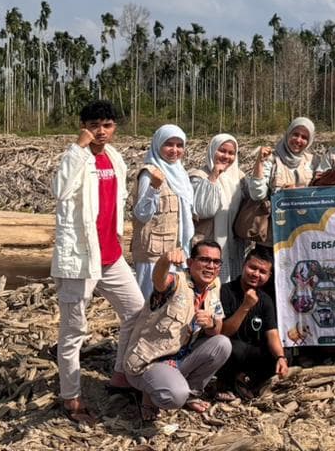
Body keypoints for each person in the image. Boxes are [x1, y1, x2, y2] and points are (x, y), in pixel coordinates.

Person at [50, 100, 145, 426]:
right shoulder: (77, 157)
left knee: (136, 310)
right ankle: (71, 397)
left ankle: (121, 374)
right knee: (74, 330)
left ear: (114, 127)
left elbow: (116, 203)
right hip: (80, 259)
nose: (100, 131)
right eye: (94, 124)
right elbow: (60, 190)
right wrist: (78, 148)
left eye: (107, 124)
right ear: (83, 126)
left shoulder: (115, 159)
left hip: (110, 256)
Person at [123, 242, 232, 419]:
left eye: (215, 262)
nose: (210, 266)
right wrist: (165, 260)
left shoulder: (214, 286)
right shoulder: (177, 282)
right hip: (150, 362)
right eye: (204, 260)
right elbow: (159, 280)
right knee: (175, 396)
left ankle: (192, 392)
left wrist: (211, 324)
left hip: (179, 360)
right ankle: (149, 394)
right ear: (190, 262)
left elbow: (217, 329)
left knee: (223, 344)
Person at [131, 124, 195, 301]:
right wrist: (154, 187)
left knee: (170, 304)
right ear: (158, 145)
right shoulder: (150, 173)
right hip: (152, 255)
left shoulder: (180, 174)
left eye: (179, 145)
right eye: (169, 144)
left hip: (175, 251)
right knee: (149, 303)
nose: (174, 150)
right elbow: (141, 214)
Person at [218, 246, 289, 399]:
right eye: (253, 268)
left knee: (283, 352)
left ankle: (246, 380)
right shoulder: (225, 291)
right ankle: (227, 384)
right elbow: (224, 331)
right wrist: (245, 306)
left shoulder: (265, 299)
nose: (256, 274)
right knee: (230, 347)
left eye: (262, 272)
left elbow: (272, 332)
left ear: (269, 275)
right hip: (232, 351)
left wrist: (280, 357)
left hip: (252, 353)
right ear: (244, 265)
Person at [192, 133, 247, 283]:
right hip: (208, 244)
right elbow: (204, 210)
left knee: (230, 288)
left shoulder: (239, 178)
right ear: (212, 150)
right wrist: (214, 175)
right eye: (222, 151)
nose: (226, 156)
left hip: (233, 246)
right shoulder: (199, 176)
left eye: (231, 153)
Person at [248, 117, 316, 204]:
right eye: (295, 134)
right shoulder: (271, 159)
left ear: (309, 141)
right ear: (288, 134)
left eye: (304, 137)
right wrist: (260, 162)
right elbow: (256, 195)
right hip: (277, 214)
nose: (298, 140)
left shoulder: (313, 161)